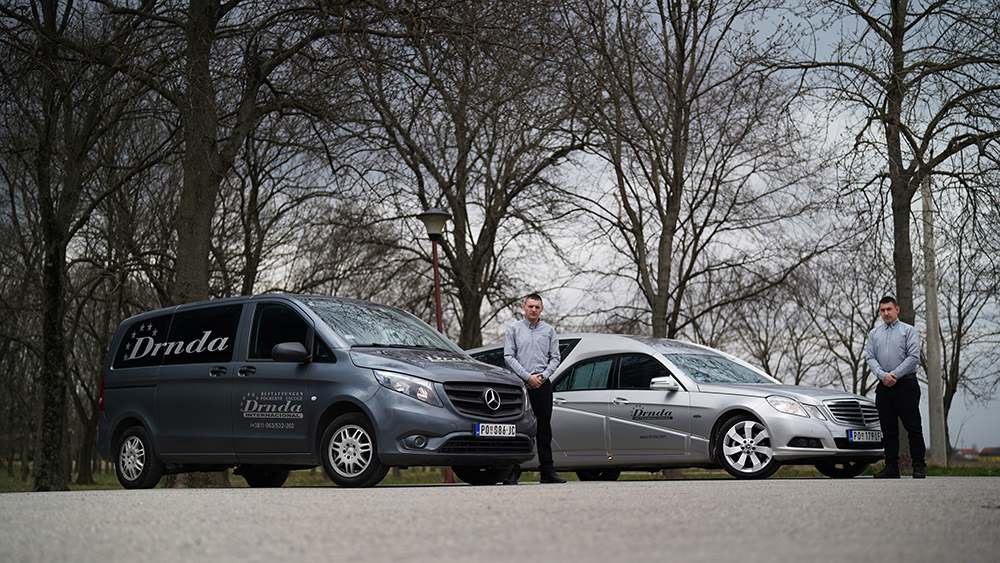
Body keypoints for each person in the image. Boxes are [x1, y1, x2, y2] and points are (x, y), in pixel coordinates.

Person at [502, 293, 565, 484]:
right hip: (521, 385)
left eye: (537, 307)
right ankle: (512, 472)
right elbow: (508, 356)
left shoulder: (549, 331)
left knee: (544, 429)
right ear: (524, 307)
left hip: (543, 385)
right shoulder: (513, 329)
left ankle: (547, 472)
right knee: (518, 427)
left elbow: (555, 357)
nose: (533, 310)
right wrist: (527, 377)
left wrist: (543, 376)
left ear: (541, 309)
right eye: (530, 306)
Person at [865, 295, 926, 479]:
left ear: (897, 310)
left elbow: (913, 357)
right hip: (884, 386)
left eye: (889, 309)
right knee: (888, 428)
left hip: (906, 384)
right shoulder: (874, 334)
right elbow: (870, 357)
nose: (885, 313)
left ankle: (919, 466)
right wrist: (883, 375)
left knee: (913, 427)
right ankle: (891, 467)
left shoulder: (908, 331)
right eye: (882, 310)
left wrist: (894, 375)